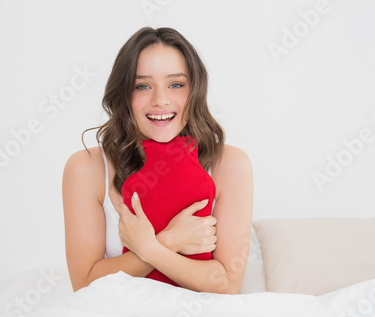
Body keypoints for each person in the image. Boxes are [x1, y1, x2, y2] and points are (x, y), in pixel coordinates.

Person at [62, 27, 253, 294]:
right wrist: (171, 240)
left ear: (195, 90)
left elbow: (227, 284)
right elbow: (85, 284)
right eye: (142, 86)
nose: (160, 100)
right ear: (124, 95)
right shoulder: (86, 169)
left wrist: (150, 248)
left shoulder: (230, 165)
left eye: (176, 84)